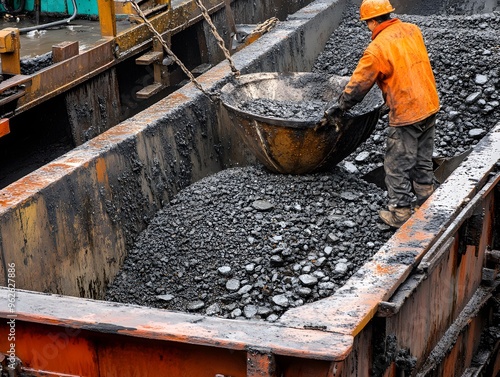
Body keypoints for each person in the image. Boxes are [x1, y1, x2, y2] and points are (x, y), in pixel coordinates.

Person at [326, 0, 440, 228]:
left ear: (372, 21)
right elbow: (408, 67)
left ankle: (399, 213)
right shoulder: (412, 30)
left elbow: (358, 85)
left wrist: (339, 107)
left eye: (367, 23)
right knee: (422, 158)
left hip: (407, 114)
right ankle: (426, 202)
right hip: (429, 104)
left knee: (397, 164)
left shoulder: (376, 49)